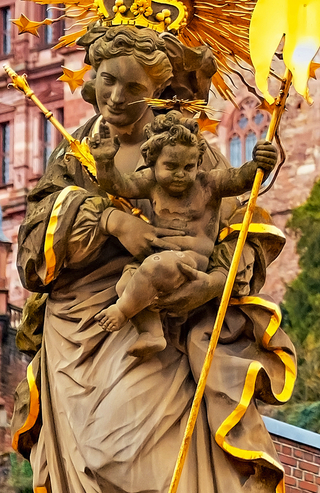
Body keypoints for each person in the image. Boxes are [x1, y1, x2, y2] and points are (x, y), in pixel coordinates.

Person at [13, 21, 293, 493]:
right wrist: (108, 220)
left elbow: (233, 226)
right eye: (103, 82)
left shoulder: (184, 152)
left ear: (158, 91)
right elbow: (31, 251)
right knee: (103, 462)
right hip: (85, 338)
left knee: (168, 472)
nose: (111, 96)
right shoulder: (80, 155)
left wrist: (221, 270)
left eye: (130, 87)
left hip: (167, 339)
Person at [91, 113, 279, 341]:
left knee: (151, 270)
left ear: (198, 163)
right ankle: (151, 334)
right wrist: (104, 162)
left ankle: (120, 312)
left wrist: (260, 164)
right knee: (126, 284)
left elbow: (240, 178)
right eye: (171, 166)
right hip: (160, 256)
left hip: (192, 260)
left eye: (188, 167)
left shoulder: (209, 183)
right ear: (152, 162)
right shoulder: (152, 182)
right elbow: (118, 184)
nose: (180, 174)